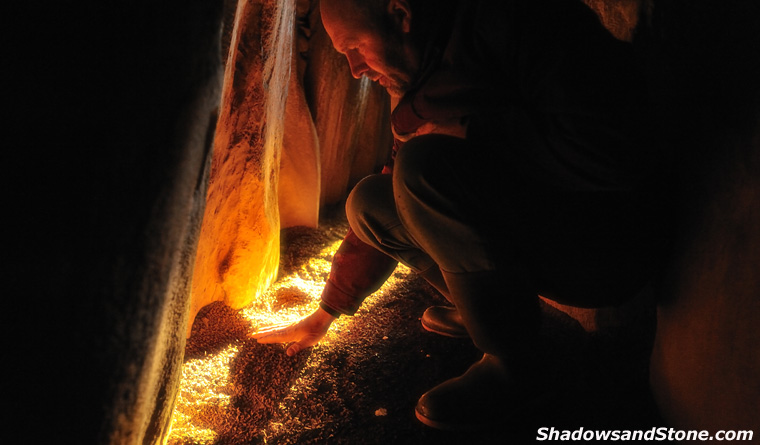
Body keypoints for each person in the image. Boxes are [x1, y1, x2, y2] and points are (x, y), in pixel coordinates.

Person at [254, 0, 667, 431]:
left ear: (400, 14)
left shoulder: (524, 26)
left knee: (424, 170)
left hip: (603, 247)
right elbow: (392, 189)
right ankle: (491, 312)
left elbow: (618, 155)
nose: (355, 69)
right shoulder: (422, 77)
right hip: (539, 229)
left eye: (355, 47)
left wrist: (473, 132)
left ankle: (519, 366)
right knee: (368, 203)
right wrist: (327, 312)